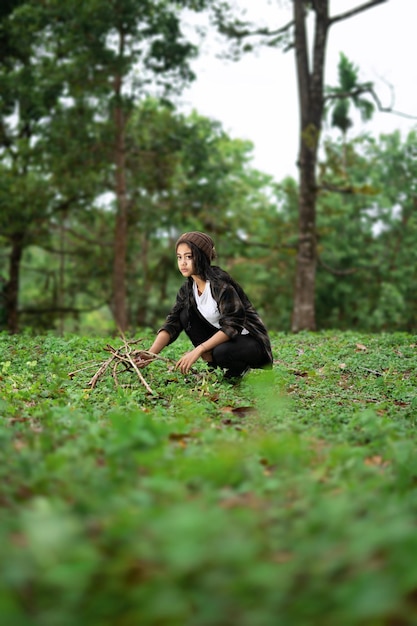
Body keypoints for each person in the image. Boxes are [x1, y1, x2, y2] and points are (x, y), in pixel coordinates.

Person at [136, 231, 273, 380]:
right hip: (225, 340)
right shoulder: (187, 290)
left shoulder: (221, 286)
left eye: (189, 257)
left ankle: (238, 369)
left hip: (250, 344)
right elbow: (172, 323)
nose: (183, 262)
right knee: (184, 314)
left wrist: (199, 350)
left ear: (201, 256)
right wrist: (150, 354)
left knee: (221, 352)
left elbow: (232, 326)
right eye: (179, 257)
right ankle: (213, 366)